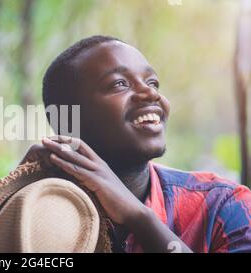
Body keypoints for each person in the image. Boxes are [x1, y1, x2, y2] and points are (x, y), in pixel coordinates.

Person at [21, 35, 251, 253]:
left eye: (153, 82)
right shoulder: (38, 215)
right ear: (68, 122)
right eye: (119, 84)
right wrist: (12, 199)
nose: (150, 93)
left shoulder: (222, 204)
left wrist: (139, 218)